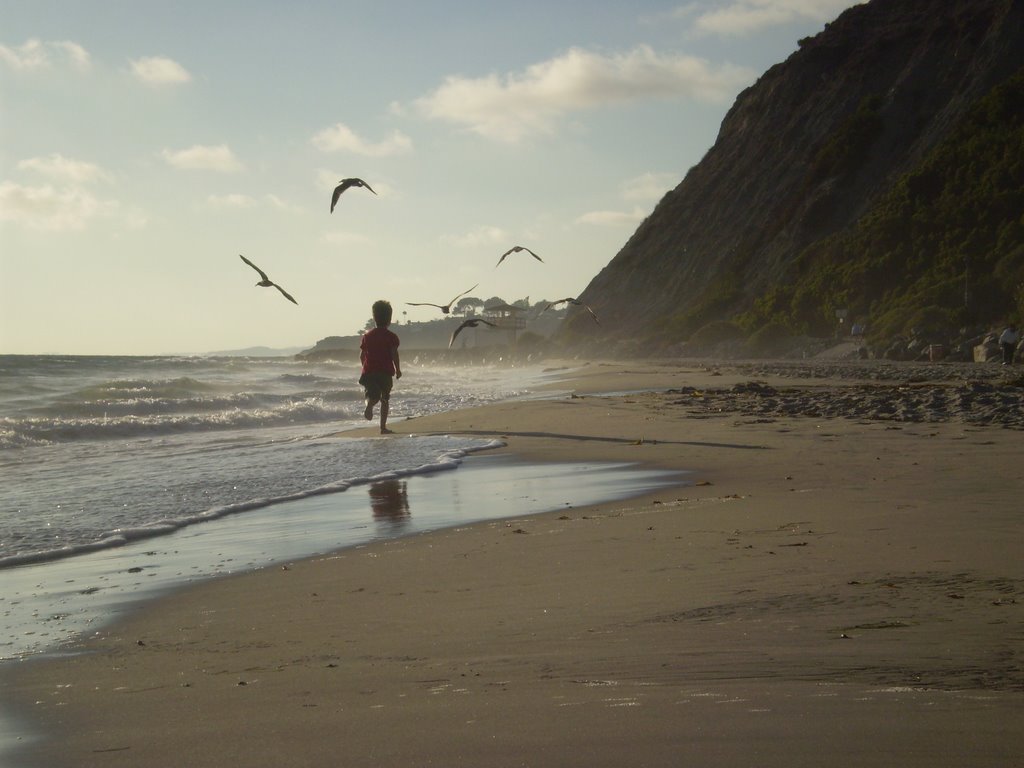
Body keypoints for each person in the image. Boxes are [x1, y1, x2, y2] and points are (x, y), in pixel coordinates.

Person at [359, 300, 402, 433]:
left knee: (371, 395)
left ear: (374, 318)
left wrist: (365, 368)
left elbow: (362, 356)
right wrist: (398, 369)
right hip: (385, 372)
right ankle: (383, 427)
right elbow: (394, 354)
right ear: (389, 319)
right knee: (384, 399)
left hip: (369, 372)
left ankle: (369, 406)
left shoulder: (367, 336)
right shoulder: (392, 337)